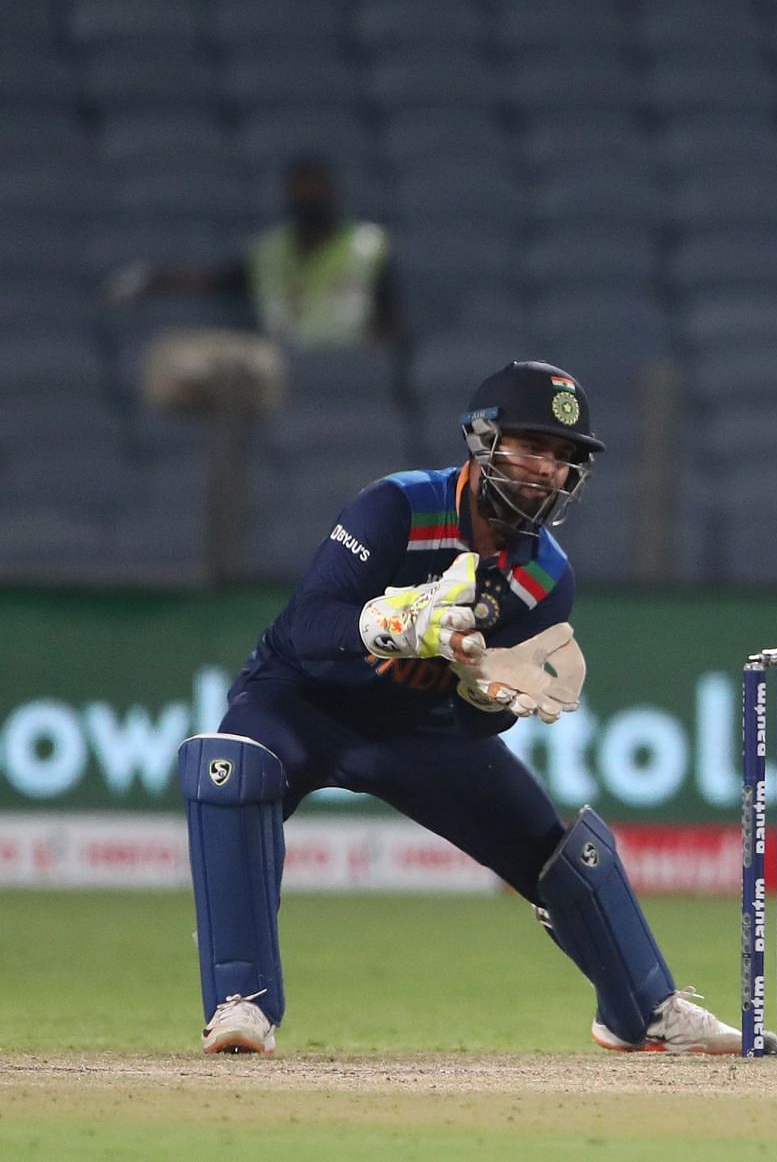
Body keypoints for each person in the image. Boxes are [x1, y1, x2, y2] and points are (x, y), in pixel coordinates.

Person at [179, 360, 739, 1058]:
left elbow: (480, 722)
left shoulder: (546, 575)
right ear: (483, 439)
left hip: (420, 729)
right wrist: (395, 622)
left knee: (556, 852)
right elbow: (306, 626)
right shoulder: (398, 507)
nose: (545, 470)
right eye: (531, 446)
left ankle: (643, 1009)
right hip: (302, 700)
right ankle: (242, 1000)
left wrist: (487, 699)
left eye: (563, 457)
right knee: (233, 768)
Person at [109, 155, 408, 354]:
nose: (310, 201)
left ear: (333, 195)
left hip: (349, 368)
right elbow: (216, 281)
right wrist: (151, 279)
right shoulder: (269, 253)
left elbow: (390, 319)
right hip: (285, 368)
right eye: (302, 194)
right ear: (289, 198)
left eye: (317, 194)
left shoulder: (366, 247)